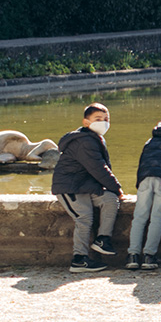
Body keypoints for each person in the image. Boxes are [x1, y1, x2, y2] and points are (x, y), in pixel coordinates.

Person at [52, 102, 123, 271]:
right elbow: (98, 168)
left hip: (85, 185)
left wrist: (112, 191)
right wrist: (117, 187)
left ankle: (103, 239)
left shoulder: (94, 138)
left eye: (106, 119)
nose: (104, 122)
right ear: (86, 122)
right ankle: (79, 259)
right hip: (69, 187)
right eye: (98, 118)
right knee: (84, 219)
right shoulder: (84, 141)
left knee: (110, 200)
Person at [125, 116, 161, 270]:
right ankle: (149, 256)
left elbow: (142, 164)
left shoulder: (149, 142)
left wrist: (139, 183)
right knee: (157, 218)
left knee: (139, 217)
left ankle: (133, 255)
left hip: (145, 179)